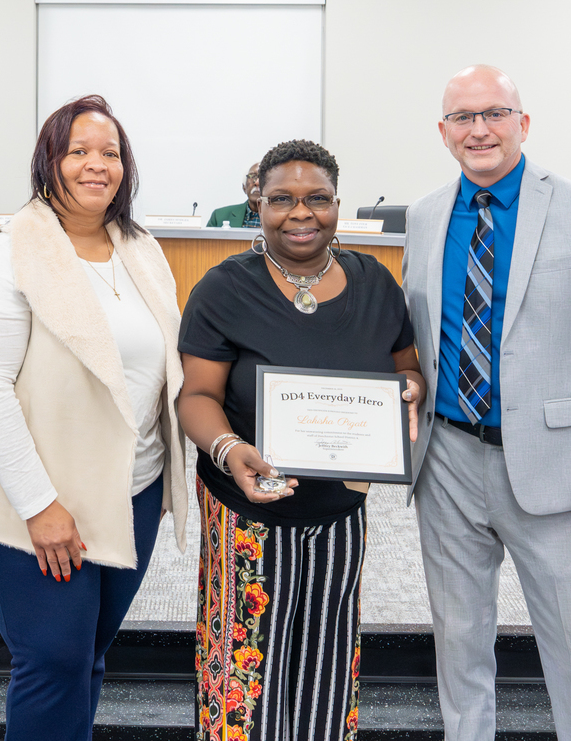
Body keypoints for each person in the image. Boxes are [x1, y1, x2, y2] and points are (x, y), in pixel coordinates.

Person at [402, 65, 571, 741]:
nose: (478, 129)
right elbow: (422, 340)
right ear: (443, 131)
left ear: (524, 122)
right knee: (458, 643)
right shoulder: (426, 216)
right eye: (462, 117)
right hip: (447, 460)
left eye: (494, 113)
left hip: (556, 465)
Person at [0, 94, 189, 740]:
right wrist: (39, 503)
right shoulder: (7, 254)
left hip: (129, 491)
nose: (95, 164)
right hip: (36, 501)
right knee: (53, 657)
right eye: (78, 150)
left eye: (110, 152)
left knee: (85, 657)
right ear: (48, 160)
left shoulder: (141, 248)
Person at [179, 139, 424, 740]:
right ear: (256, 204)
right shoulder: (224, 288)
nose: (301, 213)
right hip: (247, 513)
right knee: (243, 675)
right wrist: (230, 451)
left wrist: (409, 394)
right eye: (281, 199)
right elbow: (197, 397)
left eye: (318, 198)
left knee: (328, 670)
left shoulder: (374, 283)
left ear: (338, 203)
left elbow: (407, 370)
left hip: (340, 513)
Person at [206, 162, 262, 227]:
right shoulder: (219, 217)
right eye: (252, 176)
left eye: (262, 177)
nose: (257, 182)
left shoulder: (276, 218)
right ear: (244, 188)